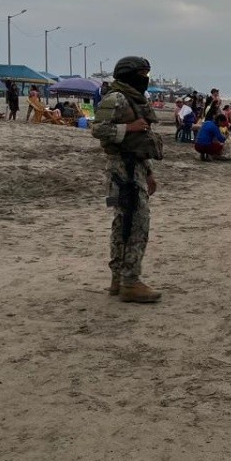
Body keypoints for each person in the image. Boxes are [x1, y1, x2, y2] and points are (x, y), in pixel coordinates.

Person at [90, 56, 164, 304]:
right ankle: (129, 281)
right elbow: (98, 129)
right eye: (142, 74)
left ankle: (120, 279)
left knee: (126, 221)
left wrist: (149, 172)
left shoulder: (134, 99)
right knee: (134, 222)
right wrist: (128, 128)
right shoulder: (117, 98)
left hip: (136, 167)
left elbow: (141, 141)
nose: (145, 79)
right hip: (121, 171)